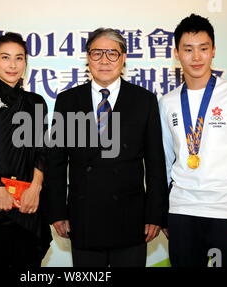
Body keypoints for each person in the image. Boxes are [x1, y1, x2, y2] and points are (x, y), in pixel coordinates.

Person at [46, 28, 168, 267]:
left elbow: (155, 162)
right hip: (84, 217)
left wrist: (155, 214)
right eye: (97, 53)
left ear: (123, 58)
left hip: (131, 218)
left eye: (112, 53)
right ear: (87, 58)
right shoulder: (68, 100)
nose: (104, 60)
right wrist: (58, 211)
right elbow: (56, 161)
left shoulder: (144, 100)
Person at [159, 14, 227, 267]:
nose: (196, 57)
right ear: (177, 53)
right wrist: (164, 213)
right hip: (181, 211)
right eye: (188, 49)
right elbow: (164, 162)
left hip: (226, 211)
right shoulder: (168, 102)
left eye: (203, 49)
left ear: (213, 50)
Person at [0, 32, 52, 267]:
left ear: (25, 63)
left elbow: (42, 148)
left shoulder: (36, 102)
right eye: (5, 57)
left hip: (28, 203)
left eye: (19, 58)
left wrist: (36, 188)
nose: (12, 65)